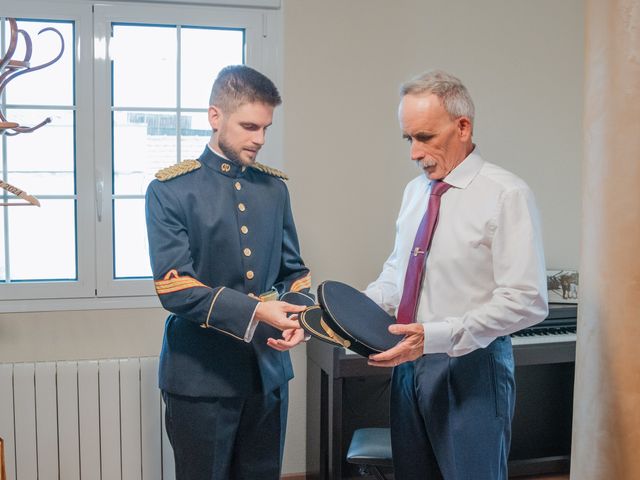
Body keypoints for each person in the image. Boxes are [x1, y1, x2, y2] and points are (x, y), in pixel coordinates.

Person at [365, 70, 548, 479]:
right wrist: (337, 315)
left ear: (462, 126)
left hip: (472, 368)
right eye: (407, 139)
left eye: (425, 137)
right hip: (408, 368)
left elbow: (528, 299)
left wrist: (436, 336)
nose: (414, 152)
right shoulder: (415, 193)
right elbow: (397, 276)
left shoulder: (507, 194)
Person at [145, 65, 311, 480]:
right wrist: (257, 312)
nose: (260, 139)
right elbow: (176, 288)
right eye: (249, 126)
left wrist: (299, 318)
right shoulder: (170, 190)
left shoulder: (274, 189)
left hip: (267, 371)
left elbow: (295, 274)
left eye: (266, 128)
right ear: (215, 117)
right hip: (200, 376)